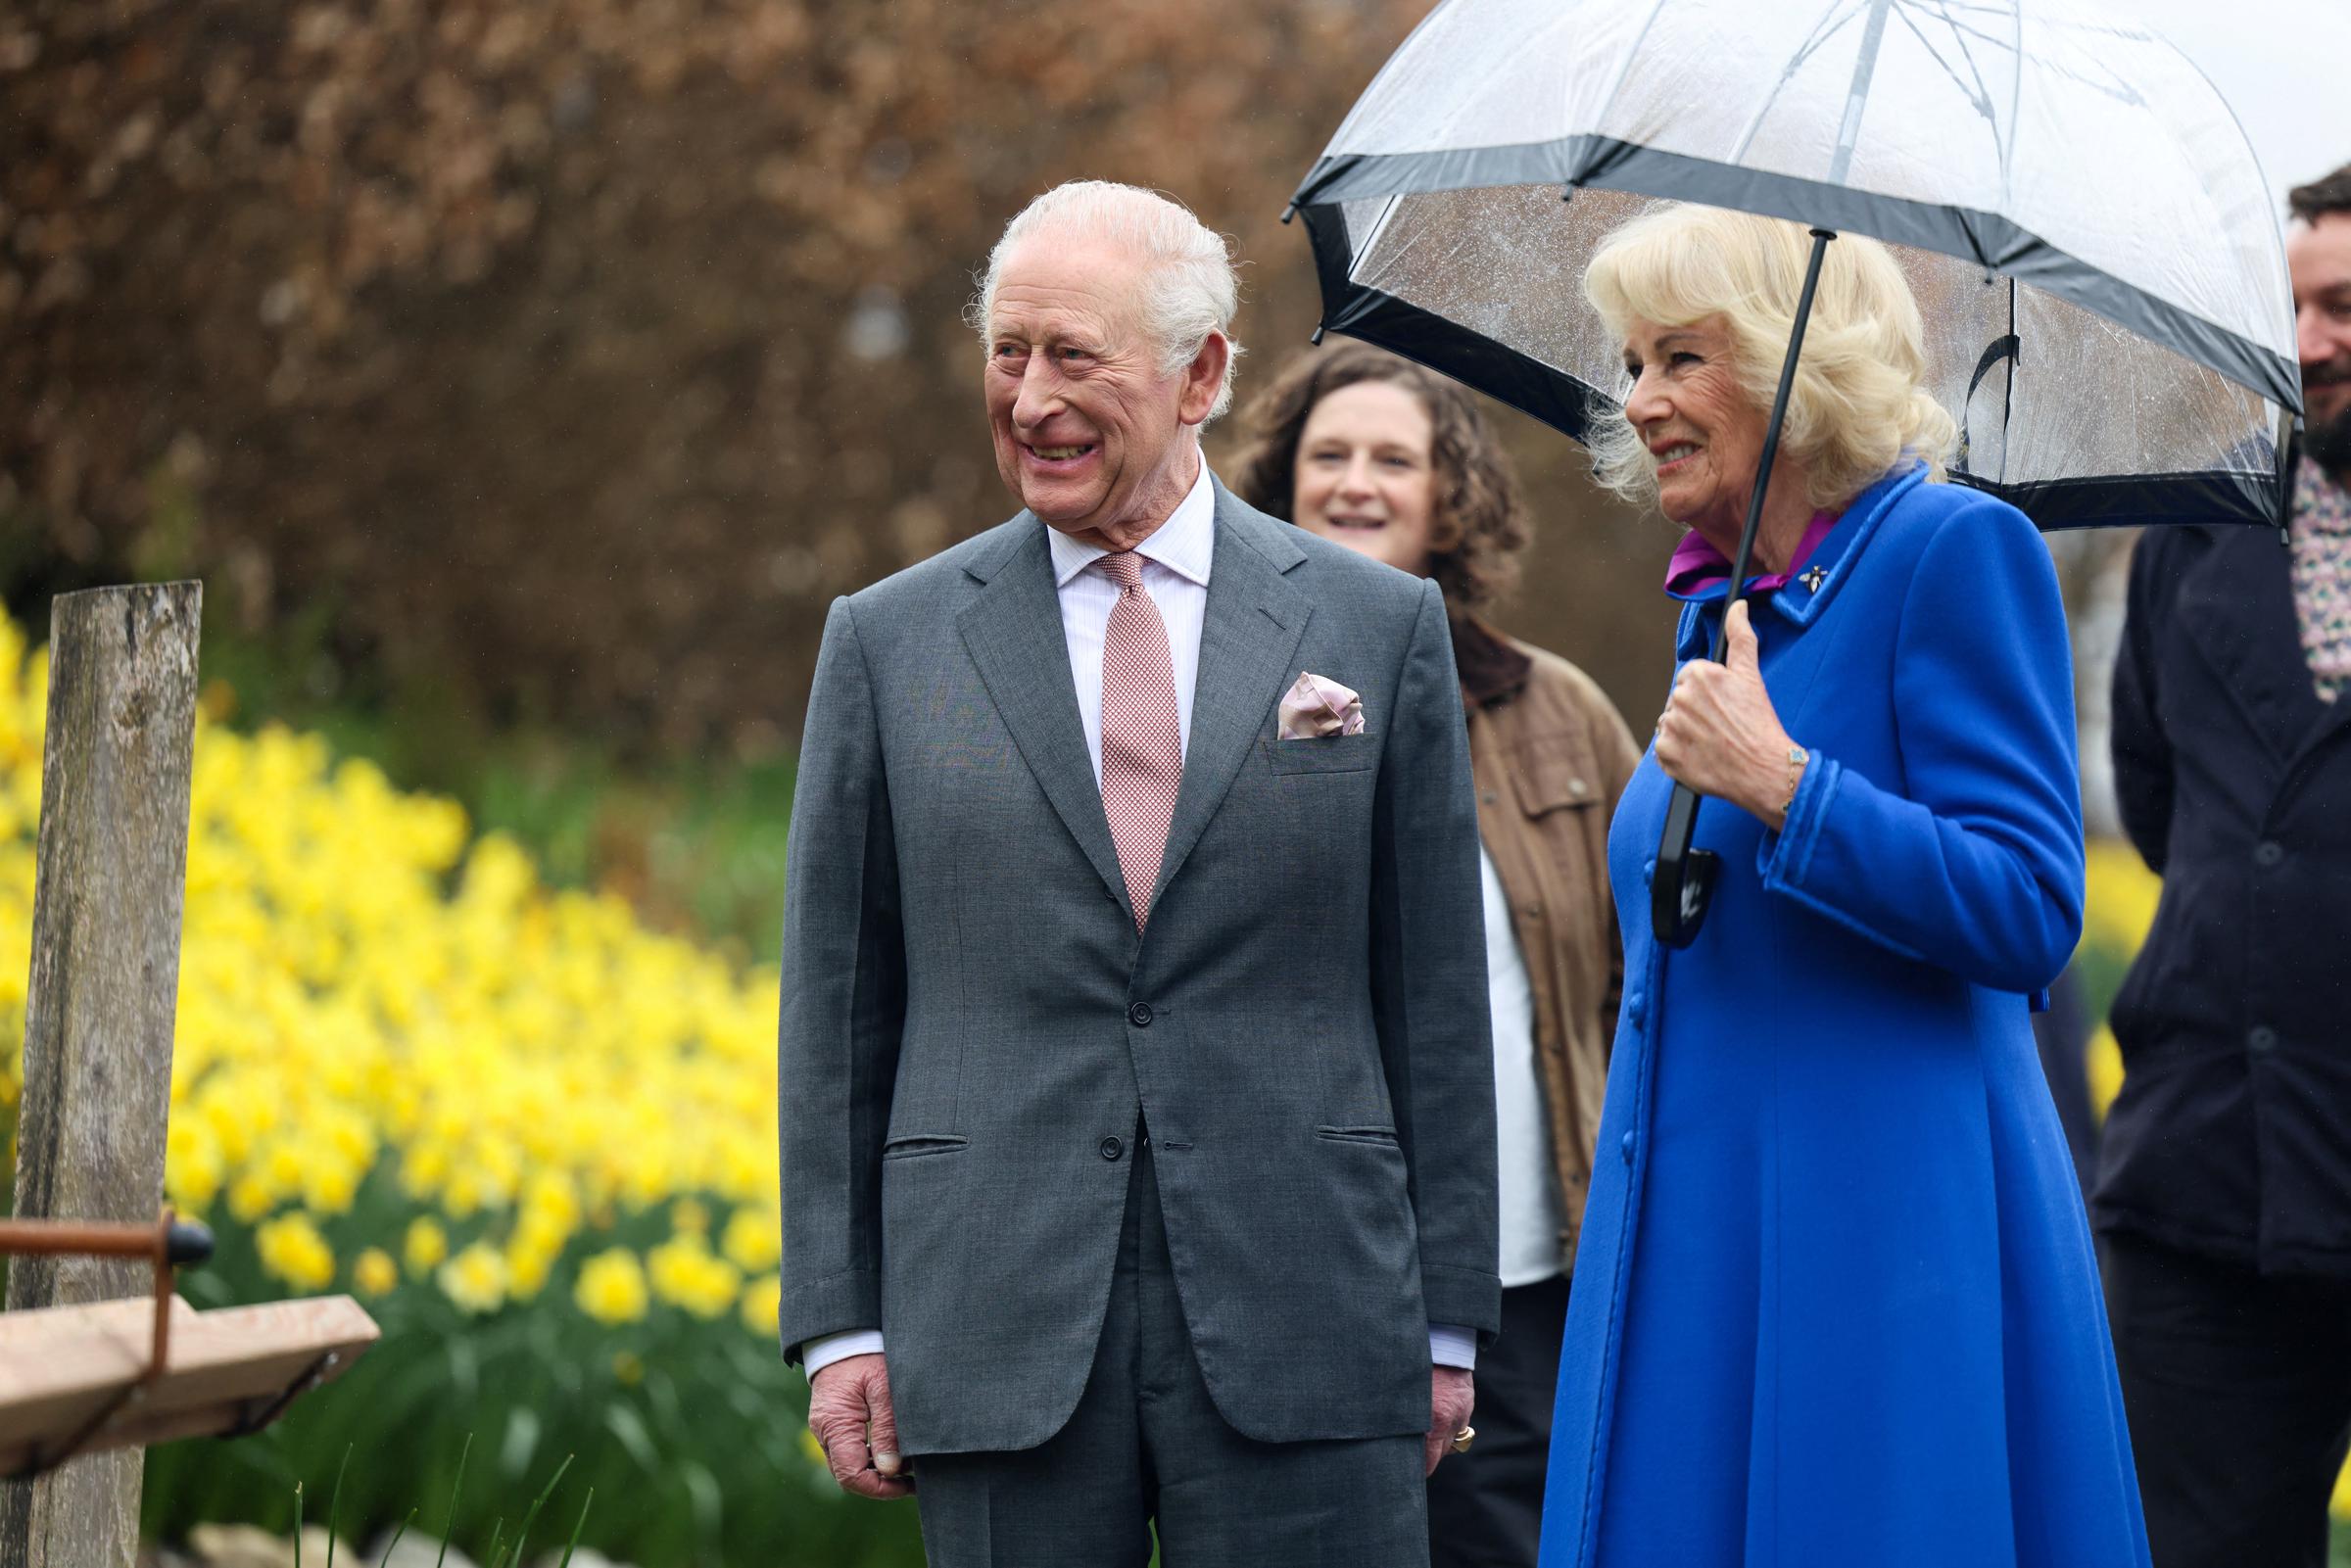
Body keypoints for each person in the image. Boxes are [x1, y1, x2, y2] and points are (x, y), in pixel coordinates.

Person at [775, 180, 1499, 1568]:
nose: (1030, 396)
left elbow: (1436, 1002)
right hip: (992, 1317)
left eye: (1074, 357)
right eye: (1006, 351)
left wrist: (1447, 1319)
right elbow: (835, 1013)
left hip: (1317, 1309)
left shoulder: (1377, 625)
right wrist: (843, 1321)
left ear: (1202, 374)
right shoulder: (887, 643)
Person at [1535, 205, 2150, 1568]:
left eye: (1680, 359)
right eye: (1632, 363)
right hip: (1691, 1237)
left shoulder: (1948, 553)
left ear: (1789, 363)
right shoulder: (1724, 607)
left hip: (1876, 1241)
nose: (1639, 402)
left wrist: (1790, 788)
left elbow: (2030, 904)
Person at [1228, 342, 1638, 1568]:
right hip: (1289, 1268)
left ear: (1448, 495)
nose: (1357, 483)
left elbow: (1647, 973)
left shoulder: (1557, 708)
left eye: (1393, 460)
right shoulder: (1213, 696)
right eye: (1329, 456)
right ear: (1281, 485)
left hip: (1523, 1267)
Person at [2097, 160, 2351, 1568]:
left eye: (2346, 305)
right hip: (2210, 1180)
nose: (2310, 341)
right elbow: (2159, 799)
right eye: (2294, 308)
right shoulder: (2191, 535)